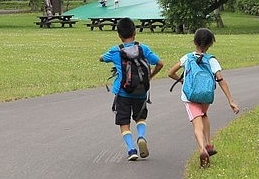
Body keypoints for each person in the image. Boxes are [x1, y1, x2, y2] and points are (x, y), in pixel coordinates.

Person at [167, 28, 239, 168]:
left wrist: (182, 81)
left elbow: (171, 72)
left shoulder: (187, 58)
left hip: (190, 96)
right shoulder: (212, 60)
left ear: (194, 41)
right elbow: (221, 80)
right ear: (210, 44)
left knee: (197, 124)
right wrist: (230, 100)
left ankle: (202, 149)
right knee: (204, 114)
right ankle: (208, 143)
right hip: (206, 96)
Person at [99, 18, 164, 161]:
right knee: (140, 118)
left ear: (118, 34)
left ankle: (131, 149)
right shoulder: (143, 49)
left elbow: (101, 58)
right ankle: (141, 136)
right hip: (140, 92)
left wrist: (104, 58)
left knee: (124, 122)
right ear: (135, 32)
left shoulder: (115, 51)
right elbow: (160, 63)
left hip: (123, 93)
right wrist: (150, 76)